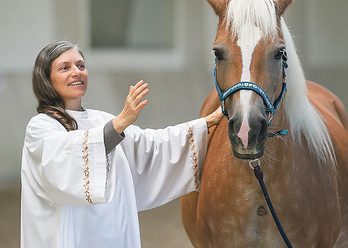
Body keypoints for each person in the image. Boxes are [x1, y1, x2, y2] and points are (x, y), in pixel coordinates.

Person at [20, 40, 223, 247]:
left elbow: (153, 146)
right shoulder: (40, 127)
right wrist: (120, 122)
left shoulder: (101, 120)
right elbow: (65, 160)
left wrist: (206, 122)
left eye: (81, 65)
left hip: (113, 235)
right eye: (65, 67)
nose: (77, 72)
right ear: (46, 79)